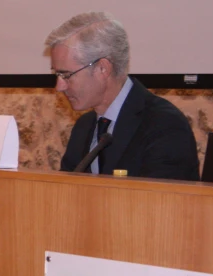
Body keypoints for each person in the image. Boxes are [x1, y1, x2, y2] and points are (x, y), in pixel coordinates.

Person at [45, 12, 199, 181]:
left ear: (103, 68)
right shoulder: (84, 126)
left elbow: (163, 203)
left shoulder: (165, 126)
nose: (59, 86)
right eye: (56, 74)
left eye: (66, 75)